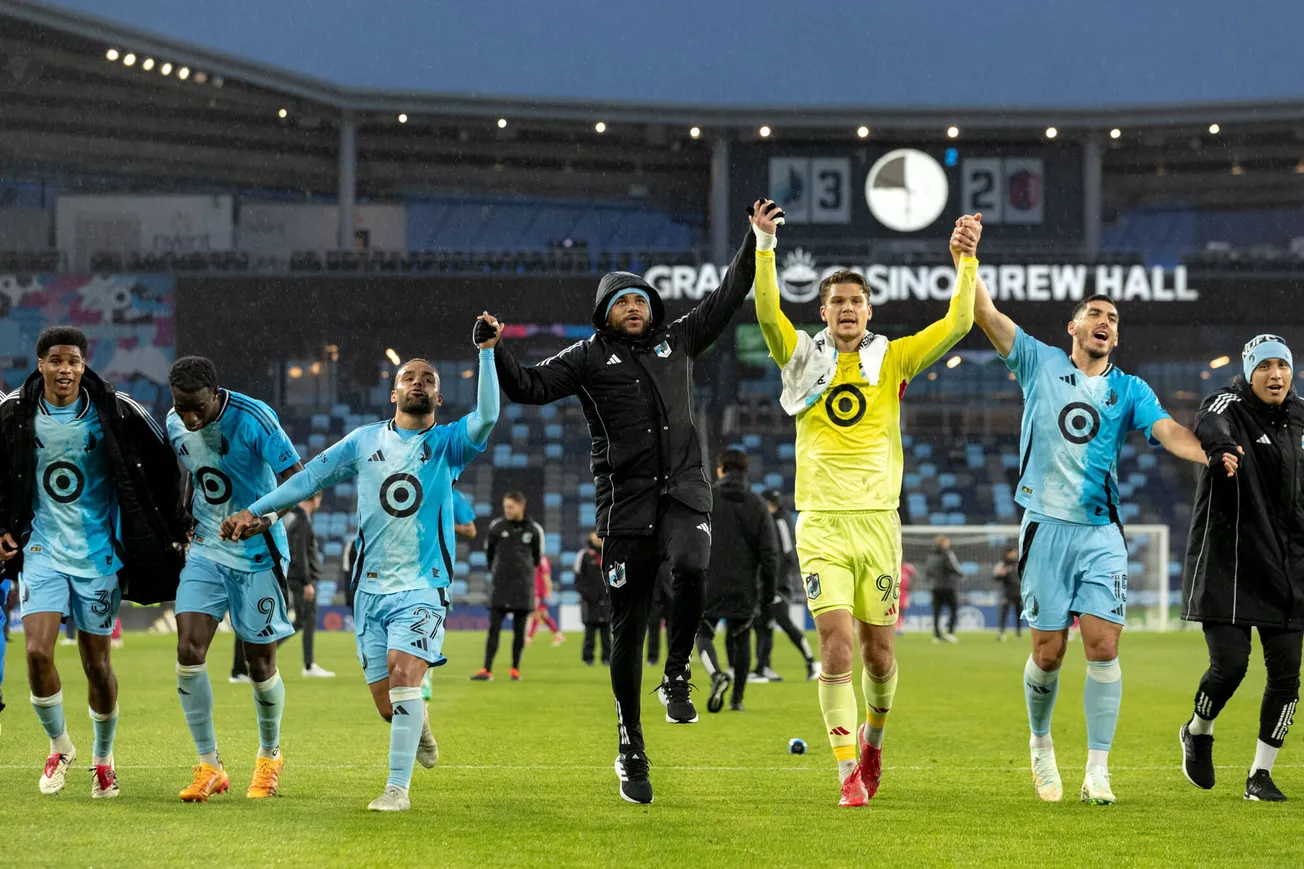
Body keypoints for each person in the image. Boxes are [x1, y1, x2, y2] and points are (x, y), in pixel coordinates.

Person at [490, 202, 765, 805]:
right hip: (626, 508)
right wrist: (496, 349)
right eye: (623, 302)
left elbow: (728, 294)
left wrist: (757, 240)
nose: (635, 308)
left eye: (641, 299)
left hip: (686, 494)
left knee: (694, 565)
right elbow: (528, 388)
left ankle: (676, 675)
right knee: (627, 631)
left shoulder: (681, 340)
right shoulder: (586, 358)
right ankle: (630, 747)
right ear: (604, 314)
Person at [959, 212, 1210, 806]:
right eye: (1095, 314)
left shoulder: (1131, 389)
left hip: (1101, 531)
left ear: (1117, 337)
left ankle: (1098, 769)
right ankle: (1041, 744)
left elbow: (1168, 429)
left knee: (1103, 643)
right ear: (1072, 325)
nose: (1105, 322)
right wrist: (965, 257)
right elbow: (985, 315)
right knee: (1048, 653)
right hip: (1045, 527)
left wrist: (1207, 454)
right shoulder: (1039, 363)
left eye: (1114, 319)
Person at [223, 314, 500, 812]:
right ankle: (420, 728)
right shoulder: (363, 441)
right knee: (386, 702)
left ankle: (397, 789)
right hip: (369, 590)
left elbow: (489, 416)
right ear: (393, 393)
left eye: (429, 380)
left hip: (423, 584)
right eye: (409, 378)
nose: (419, 383)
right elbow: (307, 481)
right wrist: (257, 509)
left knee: (404, 676)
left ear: (438, 397)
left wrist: (485, 353)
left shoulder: (450, 444)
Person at [753, 209, 978, 807]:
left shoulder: (894, 358)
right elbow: (766, 313)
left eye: (856, 301)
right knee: (835, 645)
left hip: (879, 525)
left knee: (879, 656)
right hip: (821, 523)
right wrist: (766, 244)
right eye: (837, 302)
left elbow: (959, 322)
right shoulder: (800, 357)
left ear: (868, 310)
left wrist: (966, 258)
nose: (847, 309)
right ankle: (847, 770)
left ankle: (874, 741)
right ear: (822, 310)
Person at [0, 326, 187, 798]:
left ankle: (103, 759)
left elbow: (163, 462)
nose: (66, 370)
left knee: (96, 665)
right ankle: (59, 746)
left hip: (99, 555)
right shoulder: (15, 412)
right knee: (38, 652)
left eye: (74, 362)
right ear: (40, 364)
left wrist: (174, 523)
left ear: (84, 366)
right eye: (57, 361)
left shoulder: (116, 408)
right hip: (41, 548)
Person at [166, 356, 306, 801]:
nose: (189, 417)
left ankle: (269, 756)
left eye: (196, 408)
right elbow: (194, 471)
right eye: (180, 406)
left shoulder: (255, 418)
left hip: (257, 554)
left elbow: (297, 479)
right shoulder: (174, 423)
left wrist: (264, 517)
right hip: (206, 549)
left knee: (259, 664)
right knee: (188, 649)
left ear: (214, 393)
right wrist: (184, 517)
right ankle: (209, 764)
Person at [1179, 334, 1303, 802]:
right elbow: (1209, 419)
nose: (1276, 375)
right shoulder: (1228, 404)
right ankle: (1198, 730)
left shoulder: (1302, 416)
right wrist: (1221, 448)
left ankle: (1260, 775)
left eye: (1283, 366)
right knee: (1230, 667)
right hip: (1230, 562)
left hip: (1289, 566)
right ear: (1249, 372)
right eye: (1266, 366)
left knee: (1287, 676)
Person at [694, 450, 777, 713]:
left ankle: (716, 673)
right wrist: (768, 593)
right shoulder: (757, 504)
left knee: (703, 632)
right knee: (741, 638)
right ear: (745, 471)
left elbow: (693, 539)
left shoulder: (708, 499)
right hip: (744, 586)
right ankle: (736, 700)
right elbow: (770, 553)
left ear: (721, 469)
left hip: (710, 583)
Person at [472, 492, 543, 681]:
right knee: (493, 628)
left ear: (521, 506)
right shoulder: (497, 527)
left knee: (519, 631)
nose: (507, 510)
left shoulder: (534, 530)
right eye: (505, 507)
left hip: (522, 587)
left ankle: (515, 669)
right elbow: (489, 555)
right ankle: (486, 670)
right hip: (500, 586)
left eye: (511, 507)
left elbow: (536, 559)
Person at [752, 489, 817, 682]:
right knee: (762, 623)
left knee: (784, 622)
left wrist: (777, 584)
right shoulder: (770, 519)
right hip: (767, 583)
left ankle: (811, 662)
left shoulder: (780, 520)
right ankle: (763, 668)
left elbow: (788, 555)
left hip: (778, 584)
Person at [286, 492, 334, 678]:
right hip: (302, 580)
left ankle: (308, 664)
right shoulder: (302, 521)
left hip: (300, 578)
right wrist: (307, 582)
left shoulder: (299, 518)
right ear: (314, 499)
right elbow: (300, 554)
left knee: (303, 621)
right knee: (305, 621)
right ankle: (308, 666)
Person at [574, 532, 611, 666]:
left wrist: (610, 593)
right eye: (595, 536)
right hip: (589, 601)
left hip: (607, 600)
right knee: (589, 633)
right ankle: (588, 658)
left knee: (606, 633)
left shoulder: (609, 553)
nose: (597, 538)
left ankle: (607, 658)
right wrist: (587, 594)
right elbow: (578, 579)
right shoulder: (583, 555)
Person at [926, 535, 962, 643]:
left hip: (935, 586)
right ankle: (950, 633)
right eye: (947, 542)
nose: (948, 544)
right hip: (947, 586)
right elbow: (952, 567)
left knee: (937, 611)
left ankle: (937, 635)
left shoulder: (930, 555)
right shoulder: (947, 554)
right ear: (943, 543)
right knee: (954, 608)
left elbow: (928, 570)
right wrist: (961, 574)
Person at [526, 553, 565, 647]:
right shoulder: (531, 557)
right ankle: (558, 635)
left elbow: (546, 575)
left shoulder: (542, 559)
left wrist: (548, 590)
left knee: (536, 613)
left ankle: (529, 637)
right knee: (543, 614)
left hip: (538, 591)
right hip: (533, 590)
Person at [645, 563, 672, 666]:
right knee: (653, 628)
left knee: (672, 629)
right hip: (654, 595)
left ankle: (672, 657)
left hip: (669, 595)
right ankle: (652, 658)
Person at [994, 548, 1022, 642]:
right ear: (1008, 554)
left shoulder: (1020, 563)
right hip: (1007, 593)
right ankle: (1001, 633)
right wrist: (1001, 574)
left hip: (1018, 592)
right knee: (1004, 613)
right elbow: (995, 577)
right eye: (1012, 553)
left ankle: (1018, 634)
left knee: (1018, 614)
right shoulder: (1002, 564)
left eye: (1015, 553)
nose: (1014, 554)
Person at [897, 561, 915, 636]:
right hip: (892, 593)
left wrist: (911, 586)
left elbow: (915, 576)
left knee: (901, 611)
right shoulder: (892, 567)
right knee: (891, 611)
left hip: (904, 594)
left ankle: (899, 628)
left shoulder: (906, 568)